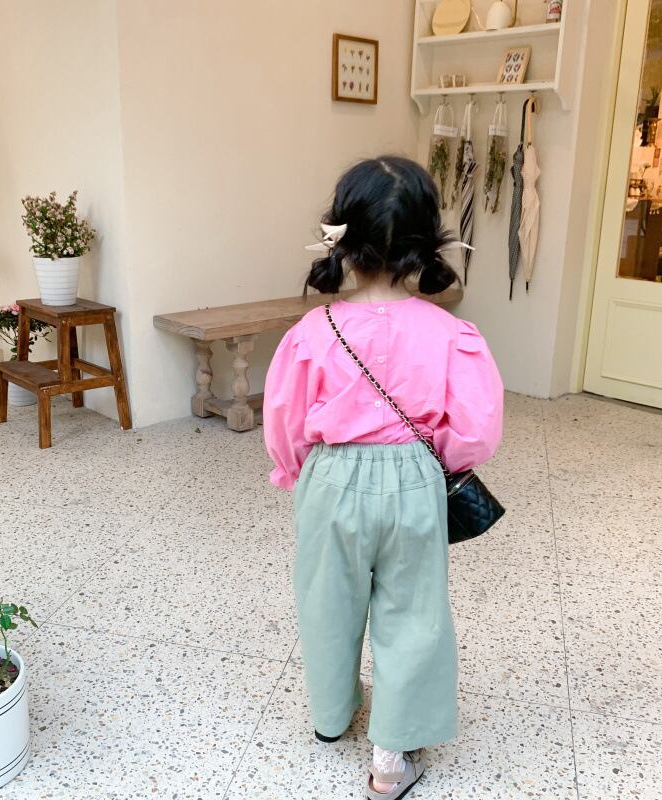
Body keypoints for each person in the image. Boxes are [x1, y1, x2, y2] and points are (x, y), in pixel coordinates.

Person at [263, 155, 504, 799]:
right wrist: (434, 459)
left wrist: (294, 470)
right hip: (414, 482)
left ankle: (331, 717)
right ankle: (391, 760)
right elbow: (475, 430)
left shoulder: (313, 331)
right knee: (412, 612)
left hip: (331, 480)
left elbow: (285, 420)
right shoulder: (450, 332)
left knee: (327, 602)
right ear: (427, 240)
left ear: (342, 235)